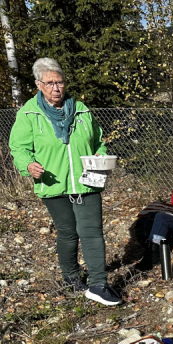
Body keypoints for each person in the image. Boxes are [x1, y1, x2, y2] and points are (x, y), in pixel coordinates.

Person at [9, 57, 122, 306]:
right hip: (53, 182)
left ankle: (98, 284)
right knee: (68, 233)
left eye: (59, 82)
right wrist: (28, 165)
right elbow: (18, 147)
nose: (56, 88)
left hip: (87, 180)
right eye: (49, 83)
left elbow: (98, 141)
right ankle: (71, 277)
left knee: (92, 232)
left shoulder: (80, 109)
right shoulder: (28, 113)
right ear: (39, 84)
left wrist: (100, 155)